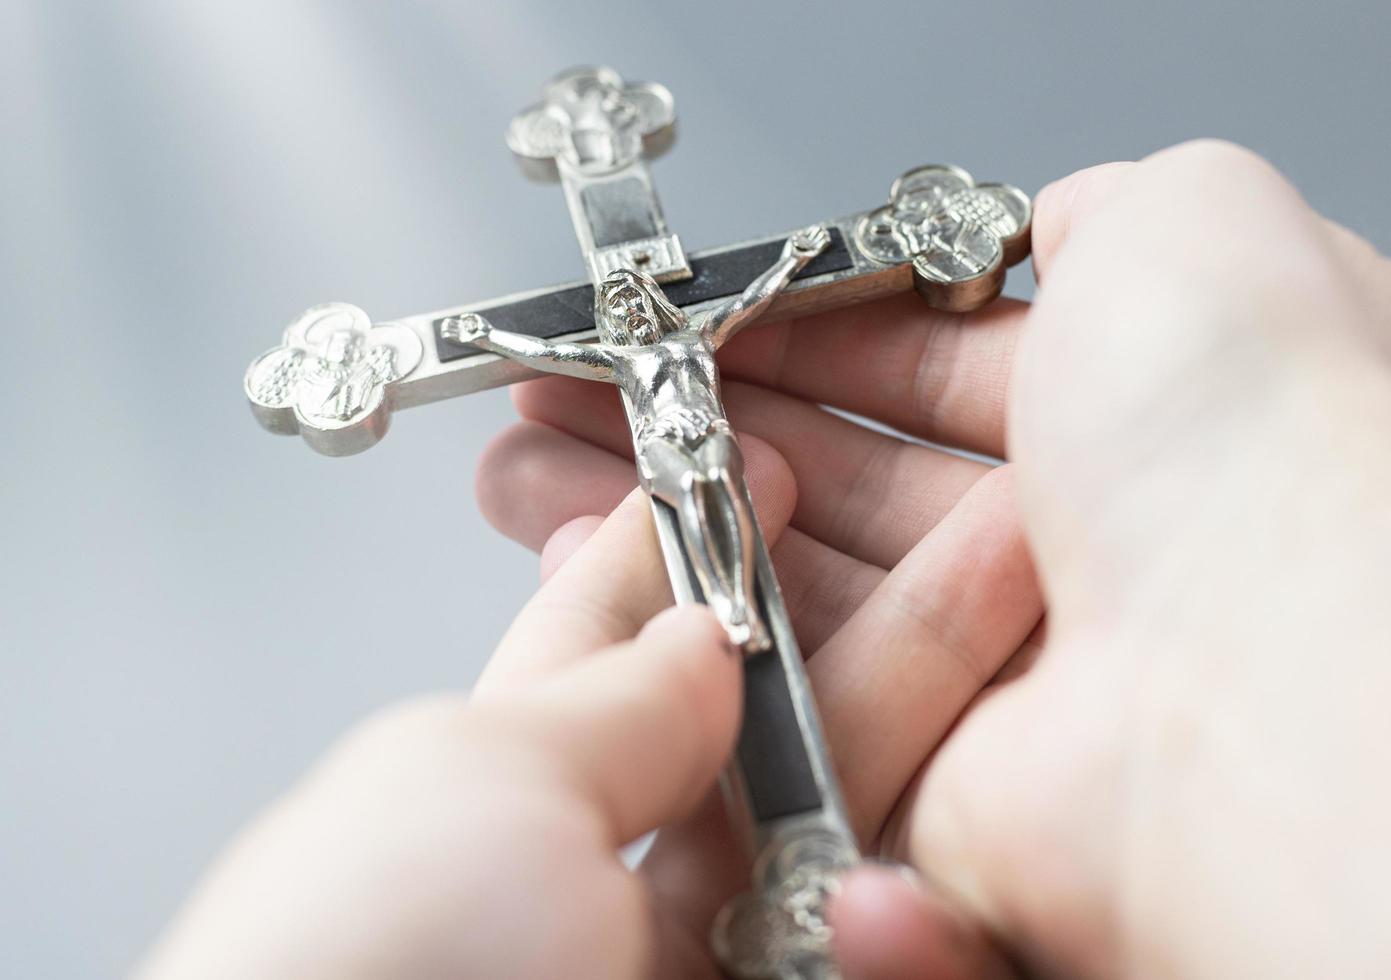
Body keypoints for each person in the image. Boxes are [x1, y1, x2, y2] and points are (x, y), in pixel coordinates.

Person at [139, 141, 1391, 979]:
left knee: (732, 579)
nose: (643, 325)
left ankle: (798, 839)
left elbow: (810, 261)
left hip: (722, 485)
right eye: (630, 324)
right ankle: (797, 839)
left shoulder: (702, 311)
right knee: (718, 587)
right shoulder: (601, 344)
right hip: (687, 485)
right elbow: (451, 339)